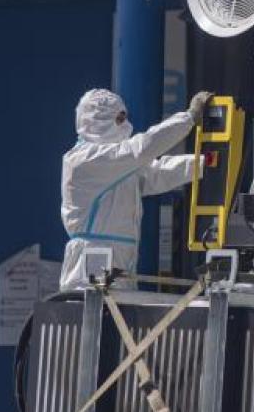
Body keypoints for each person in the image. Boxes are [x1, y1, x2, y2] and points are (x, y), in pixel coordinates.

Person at [58, 87, 212, 290]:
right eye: (119, 119)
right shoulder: (84, 160)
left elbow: (155, 174)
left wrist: (204, 164)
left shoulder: (116, 164)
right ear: (99, 121)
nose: (125, 125)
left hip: (118, 262)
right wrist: (188, 118)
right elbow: (140, 149)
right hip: (90, 267)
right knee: (95, 308)